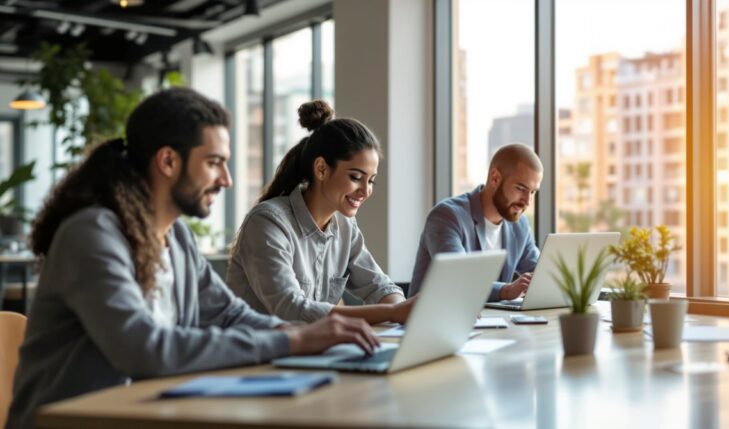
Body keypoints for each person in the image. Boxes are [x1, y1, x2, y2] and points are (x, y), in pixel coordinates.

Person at [7, 88, 379, 429]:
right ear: (168, 161)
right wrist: (293, 342)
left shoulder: (178, 238)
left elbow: (228, 314)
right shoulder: (92, 234)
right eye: (214, 162)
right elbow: (144, 348)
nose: (226, 179)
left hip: (149, 414)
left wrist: (301, 333)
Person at [227, 100, 412, 325]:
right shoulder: (267, 222)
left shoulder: (345, 225)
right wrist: (392, 313)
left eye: (371, 180)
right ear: (321, 169)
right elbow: (292, 309)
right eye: (355, 177)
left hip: (311, 346)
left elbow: (379, 287)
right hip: (257, 346)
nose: (365, 191)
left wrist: (402, 309)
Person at [408, 143, 543, 301]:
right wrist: (506, 290)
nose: (527, 201)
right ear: (495, 178)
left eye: (532, 192)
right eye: (520, 188)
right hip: (436, 315)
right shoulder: (447, 216)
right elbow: (458, 279)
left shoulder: (520, 225)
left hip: (491, 316)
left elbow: (540, 273)